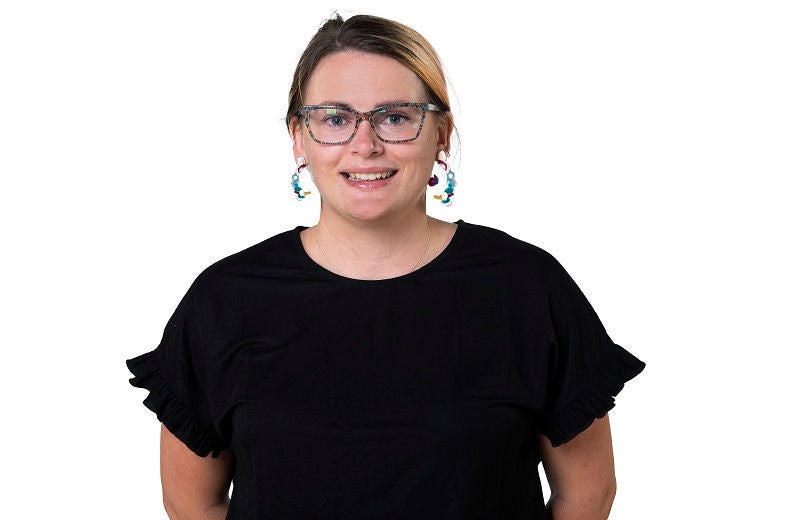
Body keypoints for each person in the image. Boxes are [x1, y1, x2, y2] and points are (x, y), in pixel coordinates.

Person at [126, 13, 645, 520]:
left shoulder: (526, 287)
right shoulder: (225, 299)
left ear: (441, 134)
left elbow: (587, 495)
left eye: (395, 117)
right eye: (335, 119)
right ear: (299, 137)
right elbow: (192, 505)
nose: (365, 145)